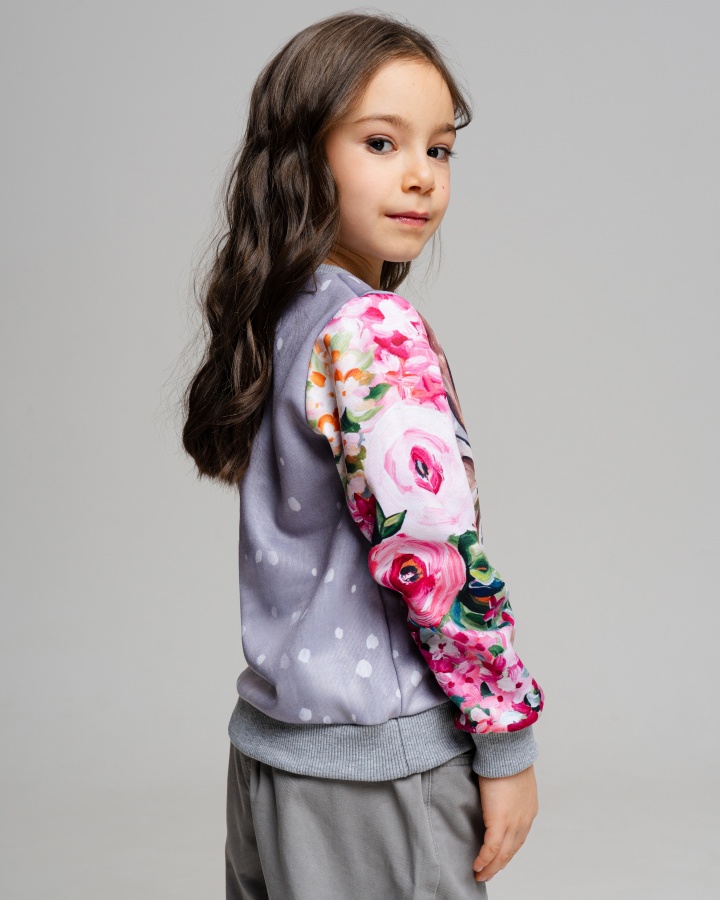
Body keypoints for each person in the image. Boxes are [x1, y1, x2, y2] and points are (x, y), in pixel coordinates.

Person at [181, 11, 545, 899]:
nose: (421, 175)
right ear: (302, 158)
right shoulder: (371, 331)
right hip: (379, 776)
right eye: (382, 143)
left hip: (271, 760)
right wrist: (505, 737)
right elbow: (435, 554)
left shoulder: (282, 317)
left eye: (440, 149)